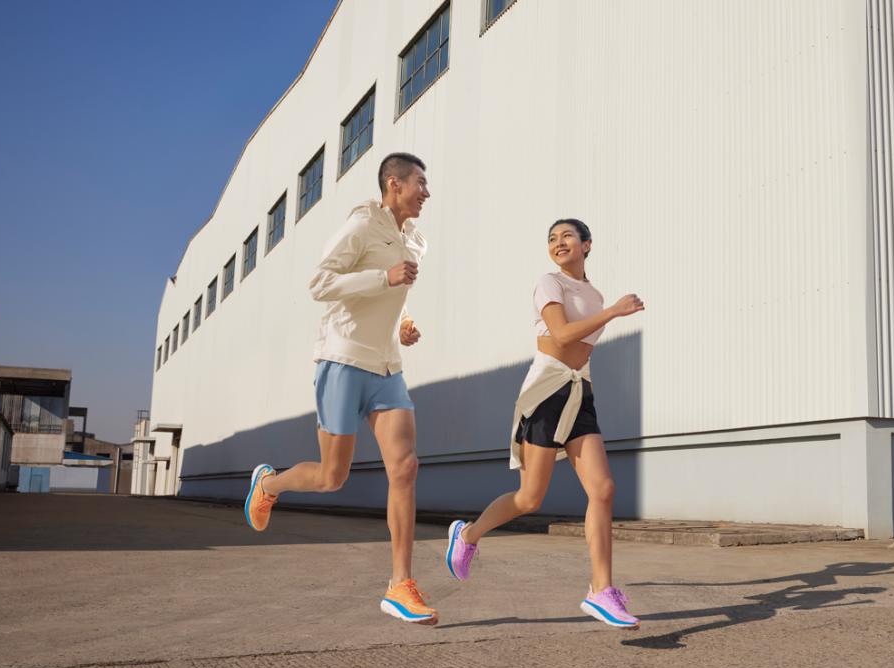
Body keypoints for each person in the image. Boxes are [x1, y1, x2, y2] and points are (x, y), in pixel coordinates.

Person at [244, 152, 438, 625]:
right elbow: (319, 283)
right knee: (333, 477)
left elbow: (391, 300)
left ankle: (400, 585)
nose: (426, 193)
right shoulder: (361, 225)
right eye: (420, 183)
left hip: (387, 367)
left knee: (406, 468)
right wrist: (382, 276)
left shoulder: (411, 239)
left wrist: (406, 324)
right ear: (394, 184)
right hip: (344, 358)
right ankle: (268, 484)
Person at [444, 218, 645, 629]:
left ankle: (601, 591)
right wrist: (613, 311)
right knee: (530, 498)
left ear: (587, 244)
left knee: (603, 489)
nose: (559, 242)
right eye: (552, 238)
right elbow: (561, 335)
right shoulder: (548, 283)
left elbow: (582, 347)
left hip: (579, 392)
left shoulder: (594, 293)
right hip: (547, 388)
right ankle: (466, 536)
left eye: (567, 236)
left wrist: (608, 308)